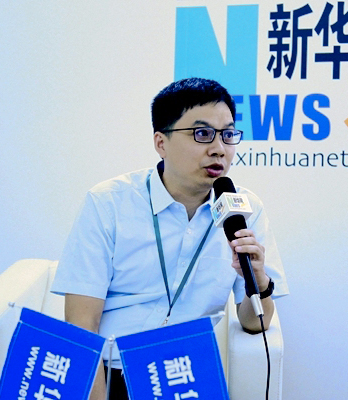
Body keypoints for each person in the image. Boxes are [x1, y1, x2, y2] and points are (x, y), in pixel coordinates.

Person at [51, 77, 288, 400]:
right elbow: (81, 324)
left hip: (187, 377)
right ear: (161, 142)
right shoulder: (109, 203)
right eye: (202, 134)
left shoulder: (245, 209)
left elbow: (255, 322)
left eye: (228, 134)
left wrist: (257, 279)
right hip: (111, 374)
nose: (219, 149)